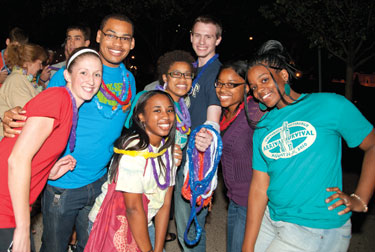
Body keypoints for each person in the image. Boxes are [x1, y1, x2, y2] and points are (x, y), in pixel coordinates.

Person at [1, 13, 136, 252]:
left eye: (125, 38)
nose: (117, 43)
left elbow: (128, 125)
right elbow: (38, 111)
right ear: (98, 37)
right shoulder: (70, 77)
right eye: (111, 35)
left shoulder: (128, 80)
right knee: (54, 246)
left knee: (92, 245)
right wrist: (11, 115)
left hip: (98, 180)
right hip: (63, 185)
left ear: (132, 43)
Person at [242, 40, 375, 252]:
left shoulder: (330, 105)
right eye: (254, 87)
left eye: (265, 80)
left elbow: (372, 145)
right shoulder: (263, 127)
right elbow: (259, 187)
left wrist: (360, 198)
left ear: (284, 75)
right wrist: (247, 247)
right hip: (272, 217)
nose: (259, 90)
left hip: (314, 226)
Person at [0, 47, 102, 252]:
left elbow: (30, 152)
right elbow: (17, 159)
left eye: (97, 74)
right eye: (83, 72)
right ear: (67, 75)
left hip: (13, 202)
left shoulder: (69, 107)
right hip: (5, 204)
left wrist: (49, 171)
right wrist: (23, 227)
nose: (91, 80)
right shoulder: (58, 98)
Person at [88, 90, 178, 251]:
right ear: (141, 117)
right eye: (157, 110)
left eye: (169, 110)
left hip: (145, 222)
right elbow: (133, 208)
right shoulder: (132, 152)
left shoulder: (167, 149)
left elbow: (165, 203)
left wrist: (158, 248)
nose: (166, 116)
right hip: (113, 224)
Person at [174, 15, 222, 252]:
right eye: (198, 35)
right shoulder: (191, 69)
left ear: (218, 40)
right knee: (184, 222)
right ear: (191, 37)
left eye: (209, 36)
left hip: (196, 157)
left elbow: (214, 116)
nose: (202, 41)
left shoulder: (216, 73)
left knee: (190, 229)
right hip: (178, 152)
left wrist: (209, 133)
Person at [214, 61, 263, 252]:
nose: (223, 89)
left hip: (252, 201)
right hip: (234, 199)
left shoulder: (256, 112)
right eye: (219, 83)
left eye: (231, 84)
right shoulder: (224, 113)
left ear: (247, 87)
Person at [0, 43, 47, 138]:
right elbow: (29, 114)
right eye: (40, 63)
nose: (41, 67)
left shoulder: (23, 80)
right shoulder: (16, 80)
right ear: (27, 63)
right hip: (9, 140)